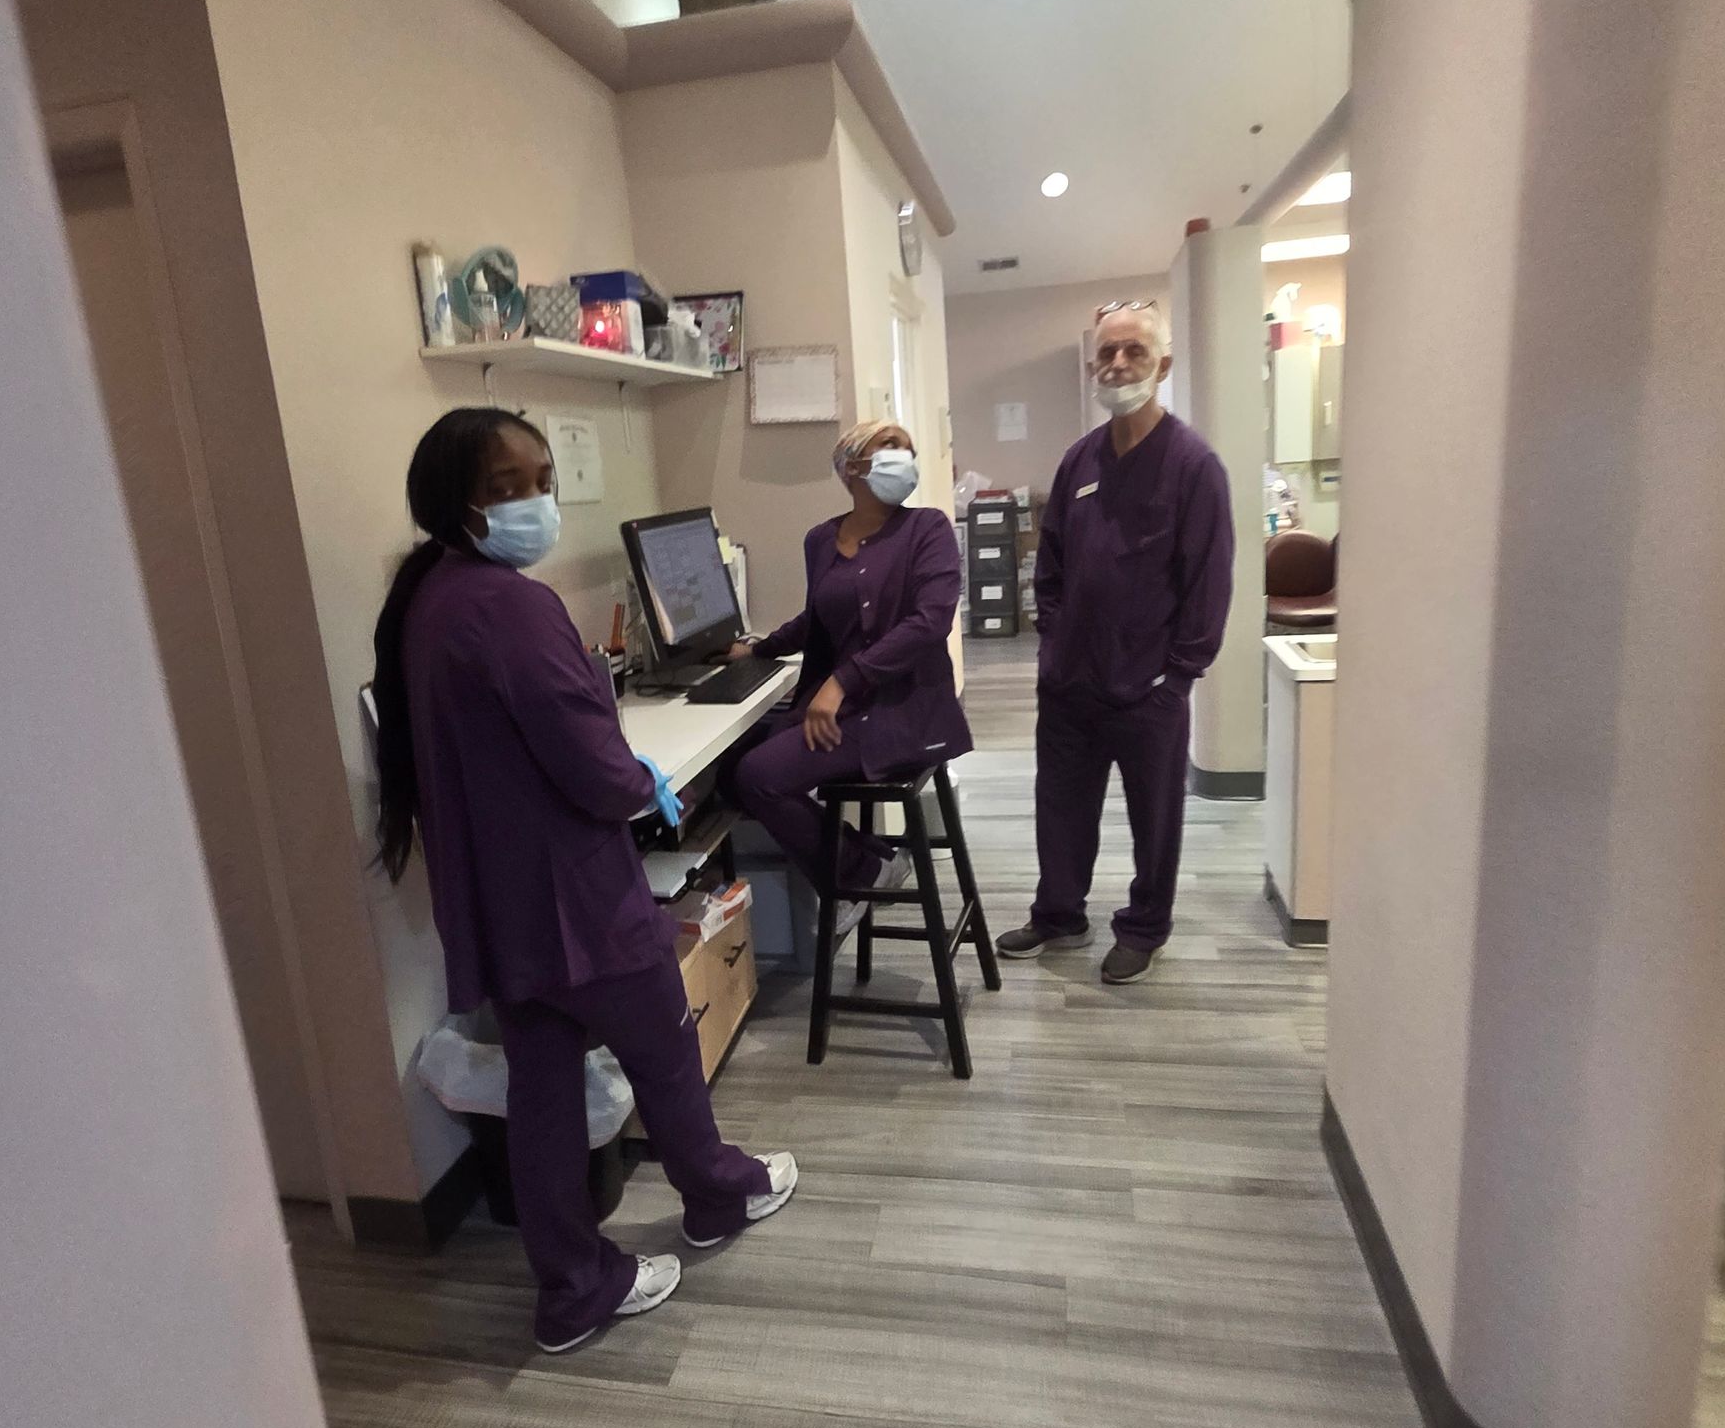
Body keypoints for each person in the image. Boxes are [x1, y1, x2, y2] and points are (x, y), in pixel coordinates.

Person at [371, 405, 795, 1353]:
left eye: (542, 481)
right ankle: (717, 1196)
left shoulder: (429, 598)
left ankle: (571, 1288)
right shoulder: (510, 606)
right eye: (506, 487)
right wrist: (638, 779)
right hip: (574, 899)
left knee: (544, 1088)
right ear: (455, 502)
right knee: (663, 1047)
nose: (534, 502)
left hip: (503, 904)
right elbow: (593, 767)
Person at [997, 299, 1233, 986]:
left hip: (1149, 688)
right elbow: (1052, 564)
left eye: (1134, 351)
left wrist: (1178, 674)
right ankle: (1059, 914)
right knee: (1060, 808)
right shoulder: (1080, 461)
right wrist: (1053, 642)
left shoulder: (1193, 465)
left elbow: (1209, 579)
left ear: (1163, 364)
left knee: (1153, 820)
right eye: (1107, 353)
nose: (1119, 364)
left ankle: (1144, 928)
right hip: (1070, 682)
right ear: (1092, 366)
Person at [726, 421, 971, 928]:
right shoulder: (821, 540)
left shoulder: (928, 529)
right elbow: (817, 618)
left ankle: (859, 874)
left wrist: (841, 683)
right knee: (730, 776)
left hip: (902, 709)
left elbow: (929, 623)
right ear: (851, 466)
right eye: (889, 446)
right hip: (844, 706)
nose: (904, 456)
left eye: (907, 449)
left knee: (759, 777)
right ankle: (871, 859)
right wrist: (757, 650)